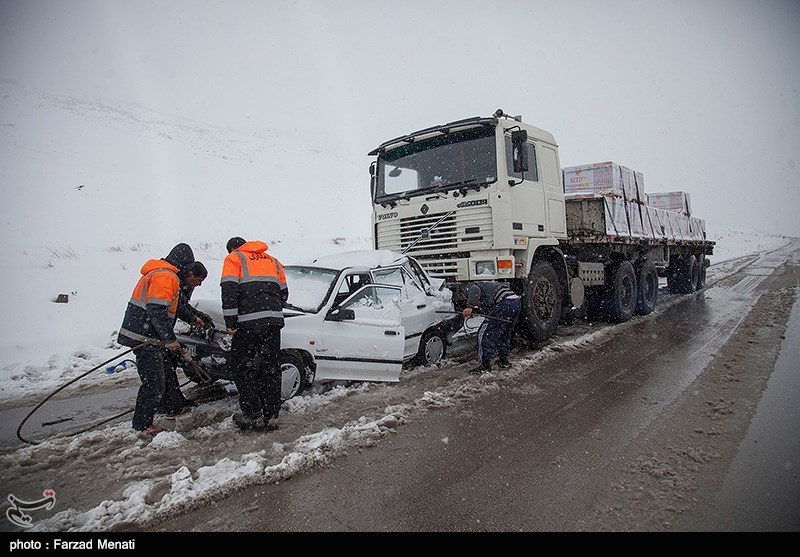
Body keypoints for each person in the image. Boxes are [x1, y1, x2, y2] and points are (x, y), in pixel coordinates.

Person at [117, 243, 207, 436]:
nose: (196, 285)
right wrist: (169, 339)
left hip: (150, 335)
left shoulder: (167, 274)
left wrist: (194, 318)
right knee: (154, 382)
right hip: (145, 337)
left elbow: (176, 307)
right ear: (187, 268)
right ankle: (142, 424)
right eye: (197, 280)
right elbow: (157, 310)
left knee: (166, 371)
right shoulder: (165, 276)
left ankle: (173, 406)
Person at [221, 237, 288, 431]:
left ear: (234, 249)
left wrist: (231, 322)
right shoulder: (273, 261)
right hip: (273, 323)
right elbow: (284, 294)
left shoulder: (234, 259)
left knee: (242, 367)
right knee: (270, 367)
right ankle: (272, 414)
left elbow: (229, 292)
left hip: (248, 324)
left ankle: (252, 414)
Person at [460, 280, 522, 374]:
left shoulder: (471, 286)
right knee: (504, 333)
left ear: (462, 293)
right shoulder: (487, 285)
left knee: (484, 333)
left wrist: (470, 306)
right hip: (516, 302)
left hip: (504, 303)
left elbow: (474, 290)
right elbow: (489, 307)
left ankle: (485, 365)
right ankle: (503, 360)